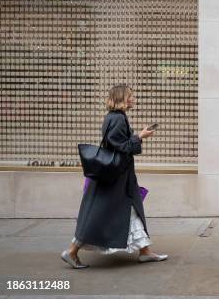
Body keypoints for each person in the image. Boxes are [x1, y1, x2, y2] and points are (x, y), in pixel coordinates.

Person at [61, 84, 168, 268]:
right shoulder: (117, 119)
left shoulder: (115, 117)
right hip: (115, 179)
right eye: (130, 96)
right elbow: (123, 147)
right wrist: (140, 136)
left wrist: (136, 136)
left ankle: (145, 251)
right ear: (122, 98)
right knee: (99, 214)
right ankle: (71, 251)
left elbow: (118, 143)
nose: (133, 99)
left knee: (131, 210)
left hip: (118, 178)